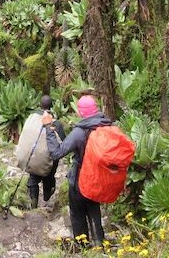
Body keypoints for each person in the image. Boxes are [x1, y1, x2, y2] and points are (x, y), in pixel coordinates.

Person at [41, 94, 112, 247]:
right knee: (94, 208)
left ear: (81, 112)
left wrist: (48, 128)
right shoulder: (106, 126)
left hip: (80, 179)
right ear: (96, 109)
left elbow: (56, 153)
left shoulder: (80, 132)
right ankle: (99, 244)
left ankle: (82, 246)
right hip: (99, 178)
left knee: (78, 211)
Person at [27, 95, 65, 209]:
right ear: (52, 106)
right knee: (49, 178)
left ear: (40, 105)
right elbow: (63, 142)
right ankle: (47, 197)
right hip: (49, 160)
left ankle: (34, 203)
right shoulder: (56, 124)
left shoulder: (32, 120)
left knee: (33, 179)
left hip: (34, 156)